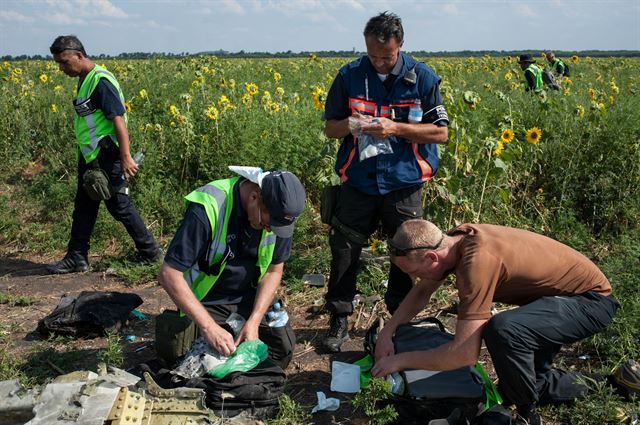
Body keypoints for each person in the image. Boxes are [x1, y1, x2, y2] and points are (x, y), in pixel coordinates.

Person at [371, 219, 623, 425]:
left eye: (413, 272)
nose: (413, 278)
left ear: (431, 257)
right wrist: (387, 332)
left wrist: (400, 360)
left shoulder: (476, 263)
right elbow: (422, 292)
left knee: (504, 330)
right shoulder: (452, 242)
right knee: (532, 382)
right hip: (555, 302)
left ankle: (526, 414)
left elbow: (464, 354)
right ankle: (619, 384)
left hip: (590, 303)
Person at [321, 12, 449, 352]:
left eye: (386, 56)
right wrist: (352, 124)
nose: (378, 62)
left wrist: (395, 128)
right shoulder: (349, 75)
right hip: (358, 180)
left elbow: (441, 133)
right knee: (345, 249)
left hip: (404, 181)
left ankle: (400, 320)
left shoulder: (422, 78)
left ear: (401, 45)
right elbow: (329, 127)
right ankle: (339, 318)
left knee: (409, 253)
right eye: (372, 55)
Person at [158, 166, 305, 369]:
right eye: (267, 223)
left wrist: (254, 320)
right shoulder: (209, 206)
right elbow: (168, 273)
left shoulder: (277, 219)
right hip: (208, 301)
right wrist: (209, 327)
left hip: (249, 298)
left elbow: (273, 270)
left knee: (279, 354)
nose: (270, 230)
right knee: (200, 364)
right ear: (254, 197)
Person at [47, 35, 160, 274]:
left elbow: (117, 119)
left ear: (79, 55)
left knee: (119, 204)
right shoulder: (85, 79)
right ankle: (77, 257)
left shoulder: (100, 81)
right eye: (58, 63)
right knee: (84, 206)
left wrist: (126, 156)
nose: (62, 68)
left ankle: (151, 253)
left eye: (65, 62)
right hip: (91, 157)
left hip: (106, 156)